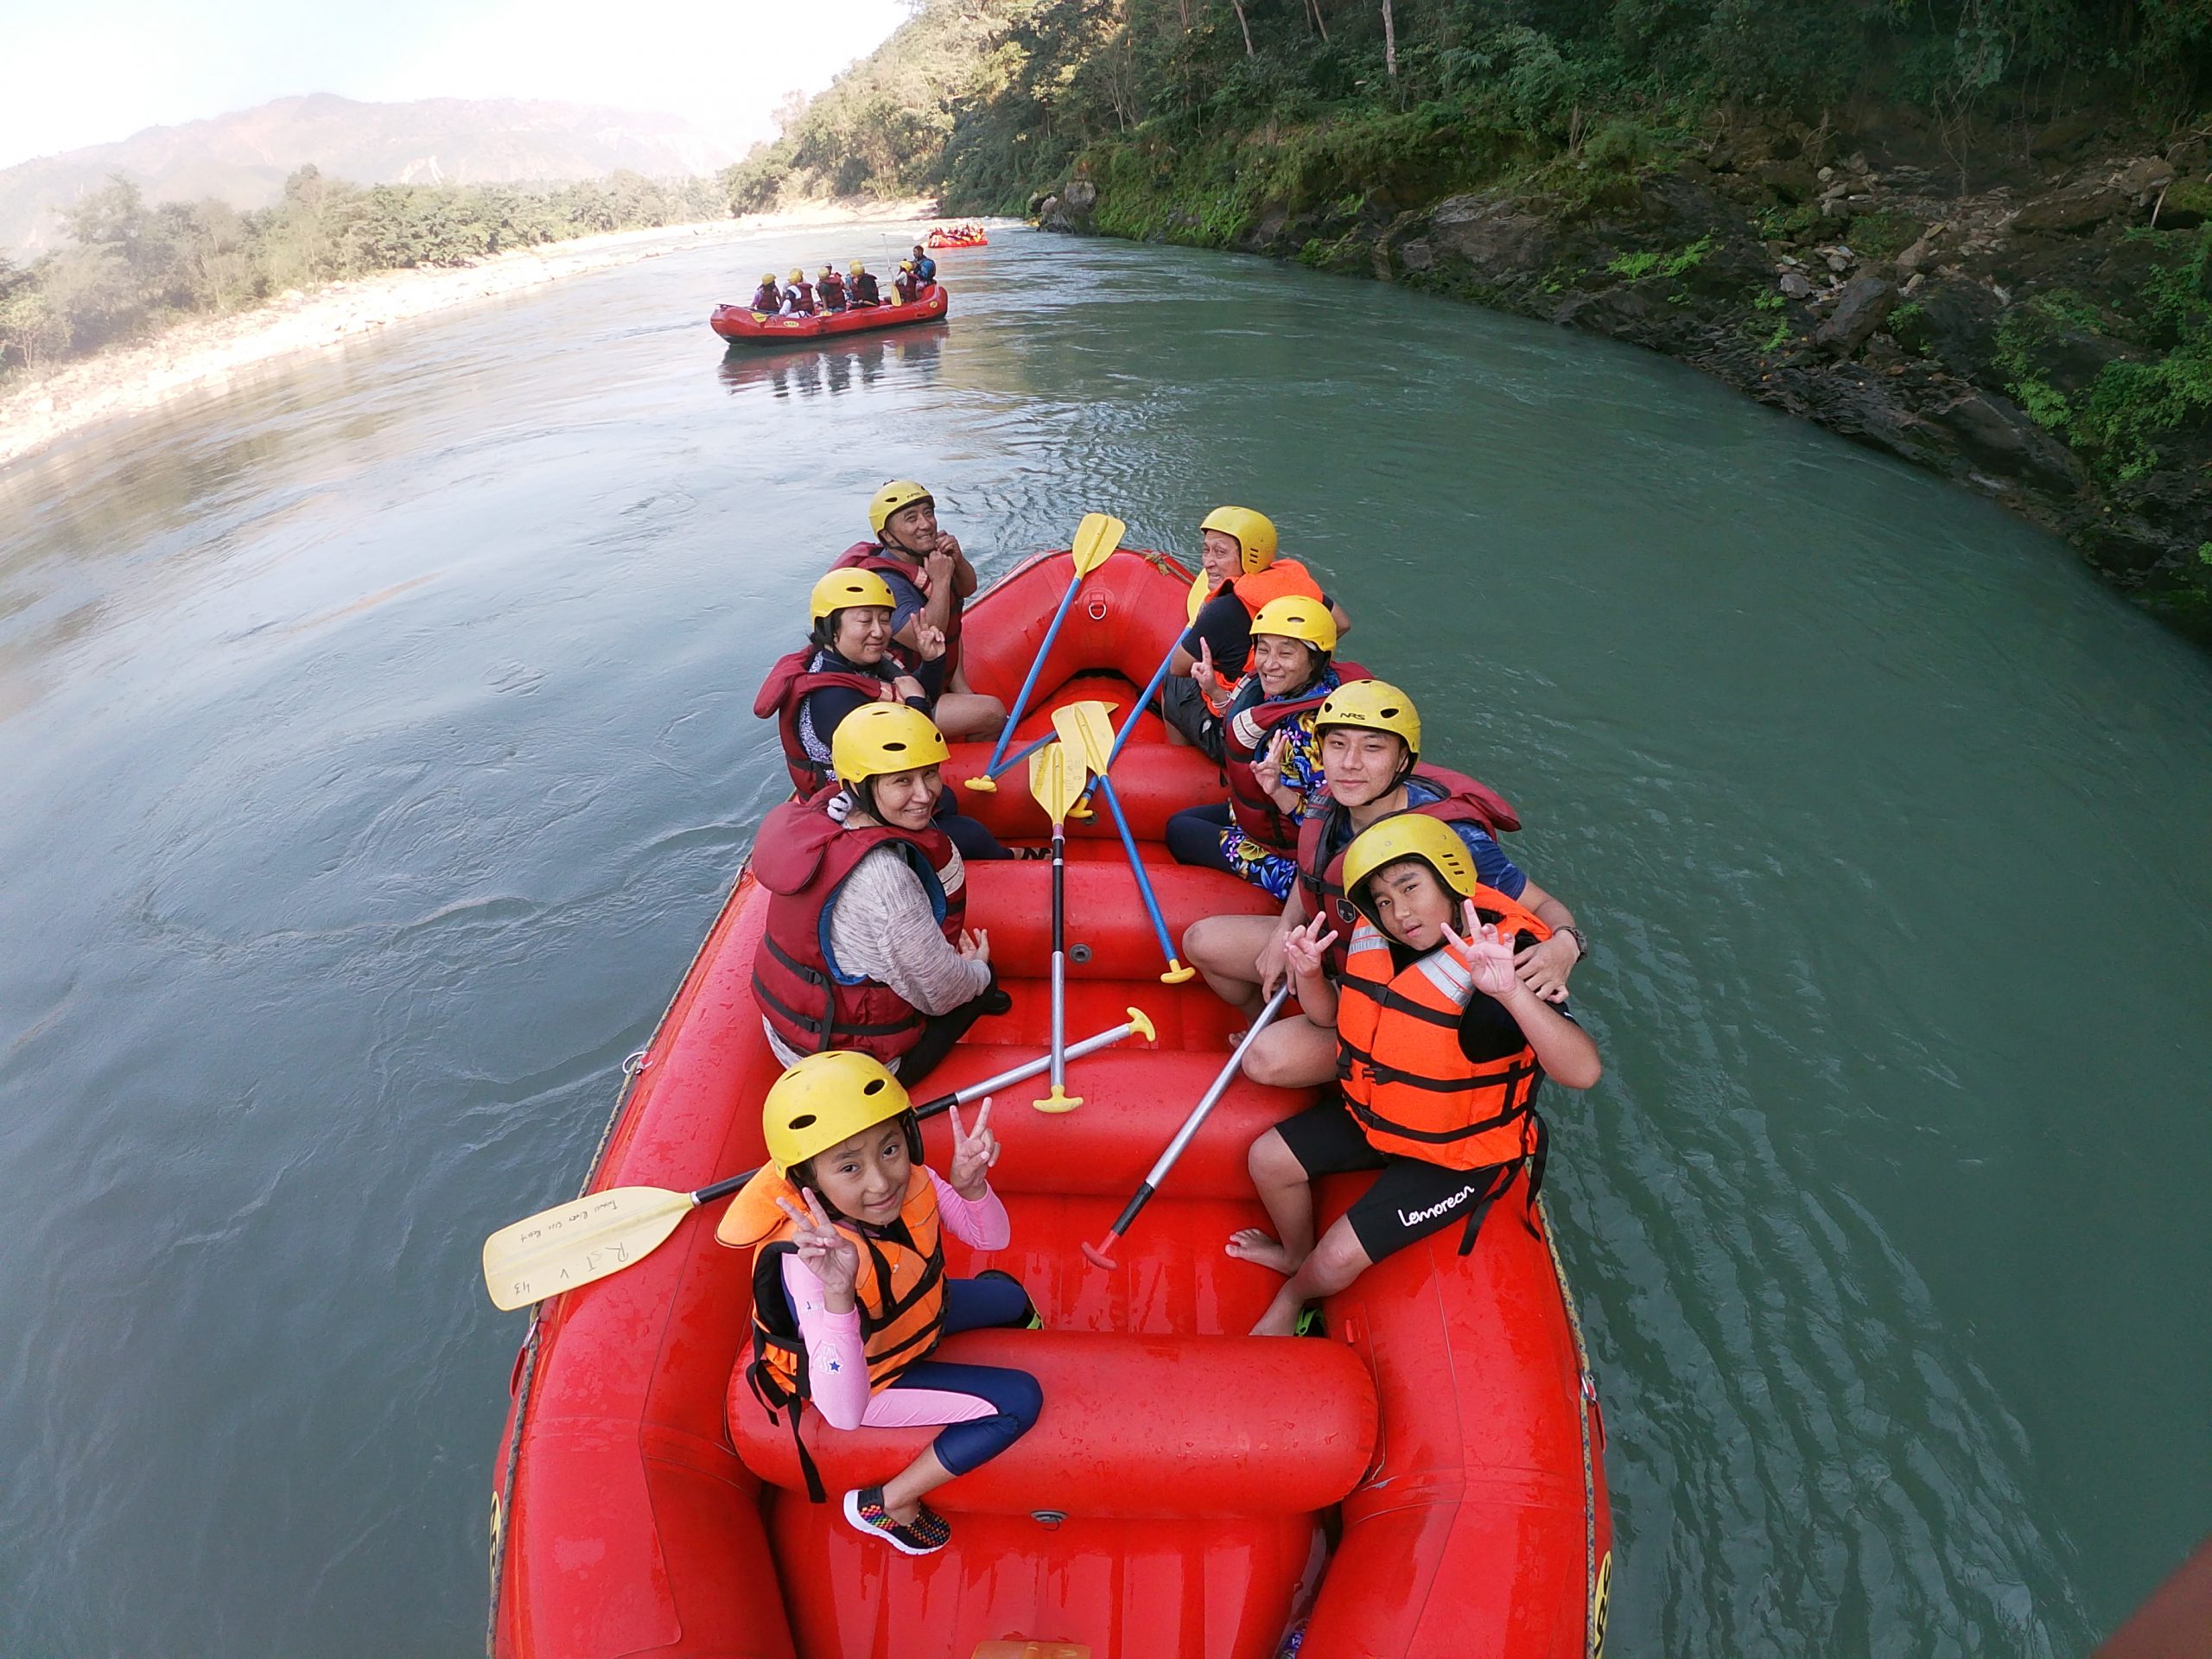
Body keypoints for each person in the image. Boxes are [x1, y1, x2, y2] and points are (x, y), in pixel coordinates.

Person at [1229, 816, 1602, 1336]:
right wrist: (1310, 975)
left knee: (1336, 1257)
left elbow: (1584, 1072)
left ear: (1450, 880)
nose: (1399, 912)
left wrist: (1511, 993)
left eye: (1410, 888)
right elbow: (1333, 1018)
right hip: (1380, 1112)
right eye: (1383, 901)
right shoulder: (1377, 937)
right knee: (1267, 1159)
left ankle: (1295, 1295)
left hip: (1459, 1154)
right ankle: (1294, 1254)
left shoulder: (1507, 956)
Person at [1182, 680, 1588, 1089]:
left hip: (1392, 990)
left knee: (1267, 1060)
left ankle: (1351, 1071)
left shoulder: (1453, 837)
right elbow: (1312, 871)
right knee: (1201, 941)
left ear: (1401, 761)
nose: (1350, 763)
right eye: (1337, 745)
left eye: (1372, 748)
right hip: (1331, 953)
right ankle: (1263, 1018)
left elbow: (1543, 905)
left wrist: (1567, 944)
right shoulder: (1328, 801)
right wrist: (1285, 930)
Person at [719, 1051, 1041, 1554]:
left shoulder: (913, 1179)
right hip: (872, 1377)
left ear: (907, 1137)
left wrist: (972, 1188)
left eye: (889, 1149)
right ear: (809, 1182)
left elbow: (991, 1239)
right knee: (1021, 1400)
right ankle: (889, 1503)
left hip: (915, 1317)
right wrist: (838, 1294)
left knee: (1011, 1298)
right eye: (849, 1167)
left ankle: (1003, 1332)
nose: (880, 1181)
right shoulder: (808, 1263)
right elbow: (844, 1413)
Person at [750, 702, 1023, 1084]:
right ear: (860, 786)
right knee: (984, 978)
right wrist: (977, 972)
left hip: (795, 1033)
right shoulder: (884, 883)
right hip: (852, 1070)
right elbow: (942, 991)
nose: (925, 795)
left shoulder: (830, 811)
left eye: (930, 774)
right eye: (902, 781)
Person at [753, 570, 1022, 860]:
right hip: (856, 810)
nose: (879, 631)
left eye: (884, 619)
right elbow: (912, 753)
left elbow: (918, 697)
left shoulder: (847, 662)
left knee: (947, 799)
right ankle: (1012, 859)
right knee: (971, 835)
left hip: (880, 788)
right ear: (830, 627)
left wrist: (932, 662)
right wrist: (915, 702)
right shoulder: (833, 699)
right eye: (865, 620)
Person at [1166, 596, 1354, 900]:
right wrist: (1214, 690)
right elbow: (1250, 724)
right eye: (1263, 649)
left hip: (1293, 863)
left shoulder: (1317, 733)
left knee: (1180, 832)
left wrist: (1278, 790)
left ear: (1316, 658)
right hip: (1264, 820)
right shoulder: (1295, 690)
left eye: (1286, 652)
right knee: (1183, 822)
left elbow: (1332, 827)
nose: (1269, 663)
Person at [1160, 507, 1350, 761]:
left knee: (1173, 681)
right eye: (1206, 550)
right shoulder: (1293, 585)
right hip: (1280, 708)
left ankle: (1178, 759)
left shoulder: (1223, 610)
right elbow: (1341, 623)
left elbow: (1178, 667)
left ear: (1250, 555)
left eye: (1220, 552)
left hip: (1234, 730)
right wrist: (1294, 662)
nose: (1207, 562)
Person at [831, 481, 1007, 741]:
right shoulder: (887, 582)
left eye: (928, 513)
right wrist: (941, 580)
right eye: (911, 518)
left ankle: (959, 689)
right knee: (993, 712)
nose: (926, 524)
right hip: (905, 694)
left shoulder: (928, 555)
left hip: (934, 675)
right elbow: (928, 637)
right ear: (888, 536)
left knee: (953, 623)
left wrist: (957, 561)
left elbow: (967, 589)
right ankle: (960, 755)